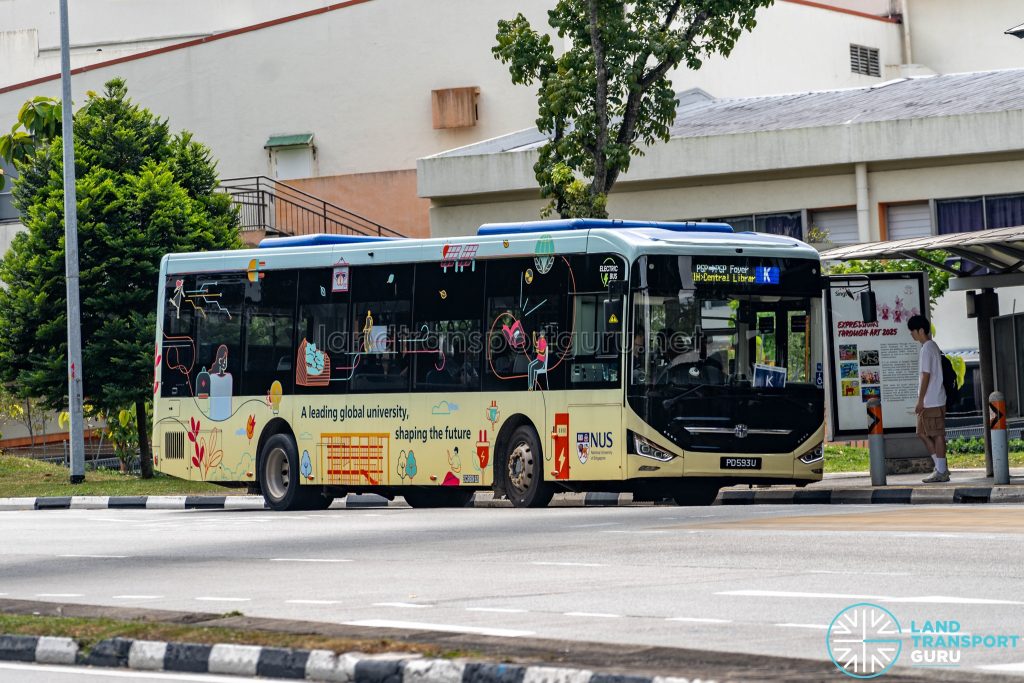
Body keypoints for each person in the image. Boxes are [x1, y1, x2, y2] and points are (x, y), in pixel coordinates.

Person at [907, 315, 948, 483]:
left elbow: (926, 376)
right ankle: (940, 466)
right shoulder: (931, 347)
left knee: (937, 434)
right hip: (932, 400)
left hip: (932, 401)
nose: (911, 334)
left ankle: (941, 470)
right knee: (922, 433)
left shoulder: (927, 348)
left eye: (913, 331)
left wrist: (920, 400)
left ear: (921, 330)